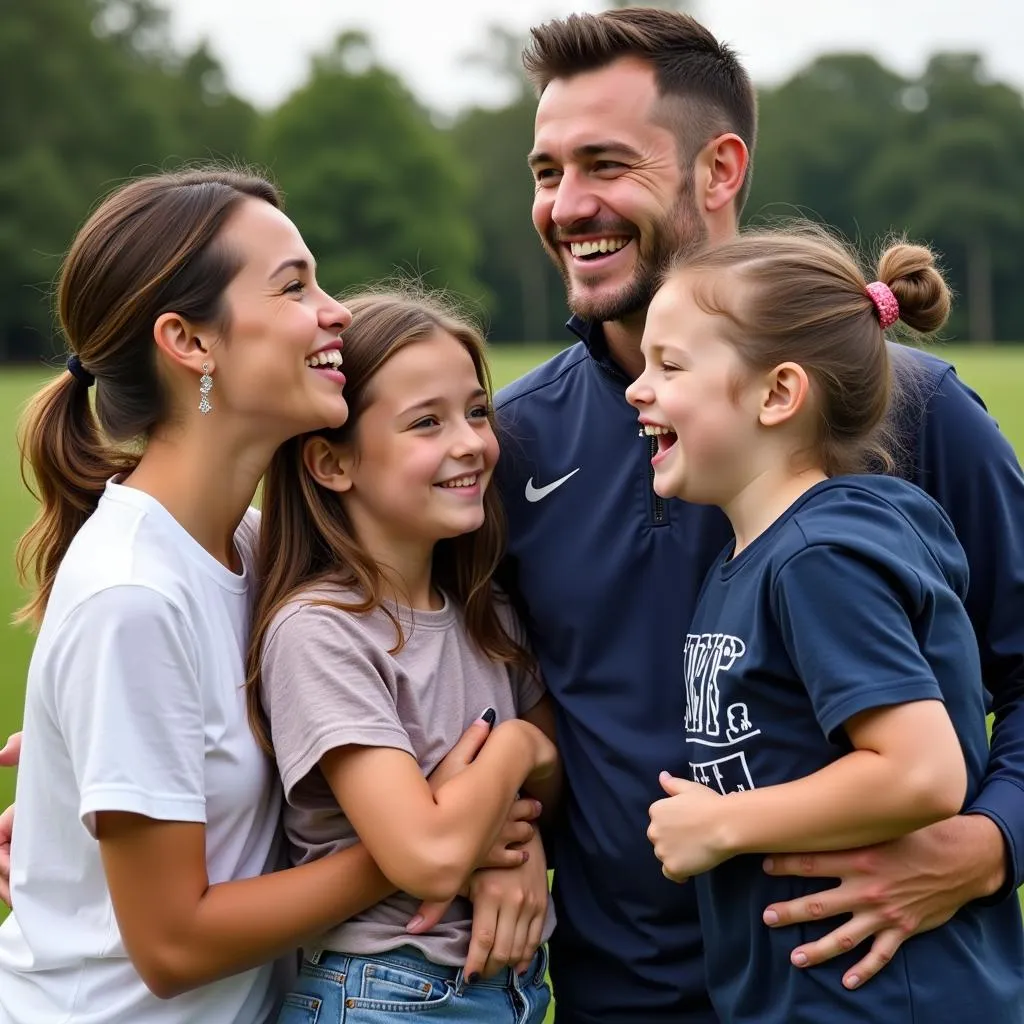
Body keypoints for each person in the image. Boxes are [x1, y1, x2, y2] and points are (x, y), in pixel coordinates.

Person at [494, 8, 1024, 1023]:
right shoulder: (510, 444)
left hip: (872, 995)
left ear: (719, 169)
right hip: (624, 1004)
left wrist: (990, 841)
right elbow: (482, 701)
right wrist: (496, 854)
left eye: (603, 163)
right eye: (544, 170)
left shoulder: (913, 412)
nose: (566, 205)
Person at [0, 170, 535, 1023]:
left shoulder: (253, 549)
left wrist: (483, 826)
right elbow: (173, 947)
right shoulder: (132, 596)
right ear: (189, 342)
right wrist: (444, 838)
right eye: (293, 286)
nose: (336, 311)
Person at [634, 227, 1024, 1022]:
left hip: (884, 1001)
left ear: (779, 394)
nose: (638, 388)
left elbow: (920, 772)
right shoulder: (758, 554)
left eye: (670, 366)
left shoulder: (822, 555)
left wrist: (721, 824)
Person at [247, 289, 558, 1022]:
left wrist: (512, 831)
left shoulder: (485, 610)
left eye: (477, 411)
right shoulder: (322, 630)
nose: (472, 444)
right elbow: (430, 856)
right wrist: (512, 748)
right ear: (331, 462)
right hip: (385, 993)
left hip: (504, 991)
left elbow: (560, 776)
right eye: (427, 423)